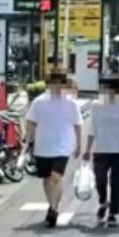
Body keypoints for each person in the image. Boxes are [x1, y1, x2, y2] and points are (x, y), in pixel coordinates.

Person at [22, 73, 84, 227]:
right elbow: (30, 121)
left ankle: (54, 209)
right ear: (48, 85)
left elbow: (78, 124)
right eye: (53, 84)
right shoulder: (39, 102)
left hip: (63, 146)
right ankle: (52, 204)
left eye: (60, 84)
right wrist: (29, 140)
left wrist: (79, 145)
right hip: (42, 146)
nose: (57, 87)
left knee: (55, 177)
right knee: (46, 179)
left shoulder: (71, 103)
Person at [84, 77, 119, 227]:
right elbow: (92, 128)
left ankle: (113, 214)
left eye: (107, 89)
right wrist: (87, 150)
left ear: (115, 90)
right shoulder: (95, 106)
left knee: (116, 182)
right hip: (100, 149)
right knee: (100, 180)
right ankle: (103, 201)